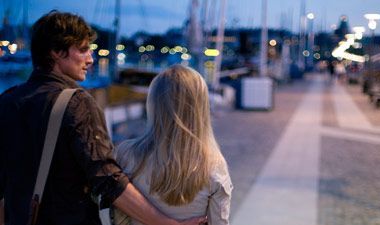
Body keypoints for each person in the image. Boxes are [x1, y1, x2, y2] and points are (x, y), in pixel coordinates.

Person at [0, 11, 205, 225]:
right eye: (82, 50)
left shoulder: (7, 101)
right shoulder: (77, 103)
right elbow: (108, 179)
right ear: (57, 52)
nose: (90, 58)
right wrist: (168, 223)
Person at [113, 65, 233, 225]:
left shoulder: (126, 154)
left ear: (154, 103)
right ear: (201, 108)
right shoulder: (214, 165)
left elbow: (119, 218)